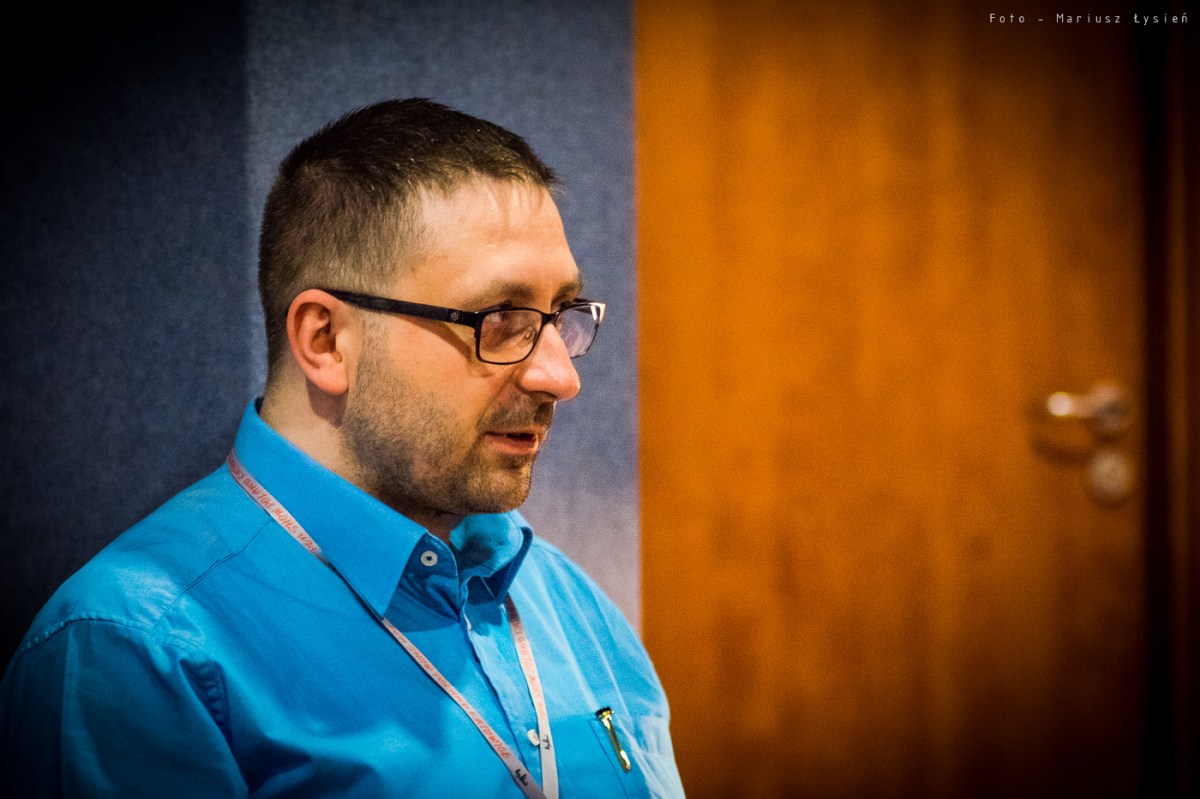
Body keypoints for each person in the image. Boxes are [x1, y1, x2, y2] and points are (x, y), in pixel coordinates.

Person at [0, 98, 684, 798]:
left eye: (561, 315)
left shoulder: (570, 604)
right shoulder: (136, 650)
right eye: (501, 318)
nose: (561, 376)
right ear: (325, 340)